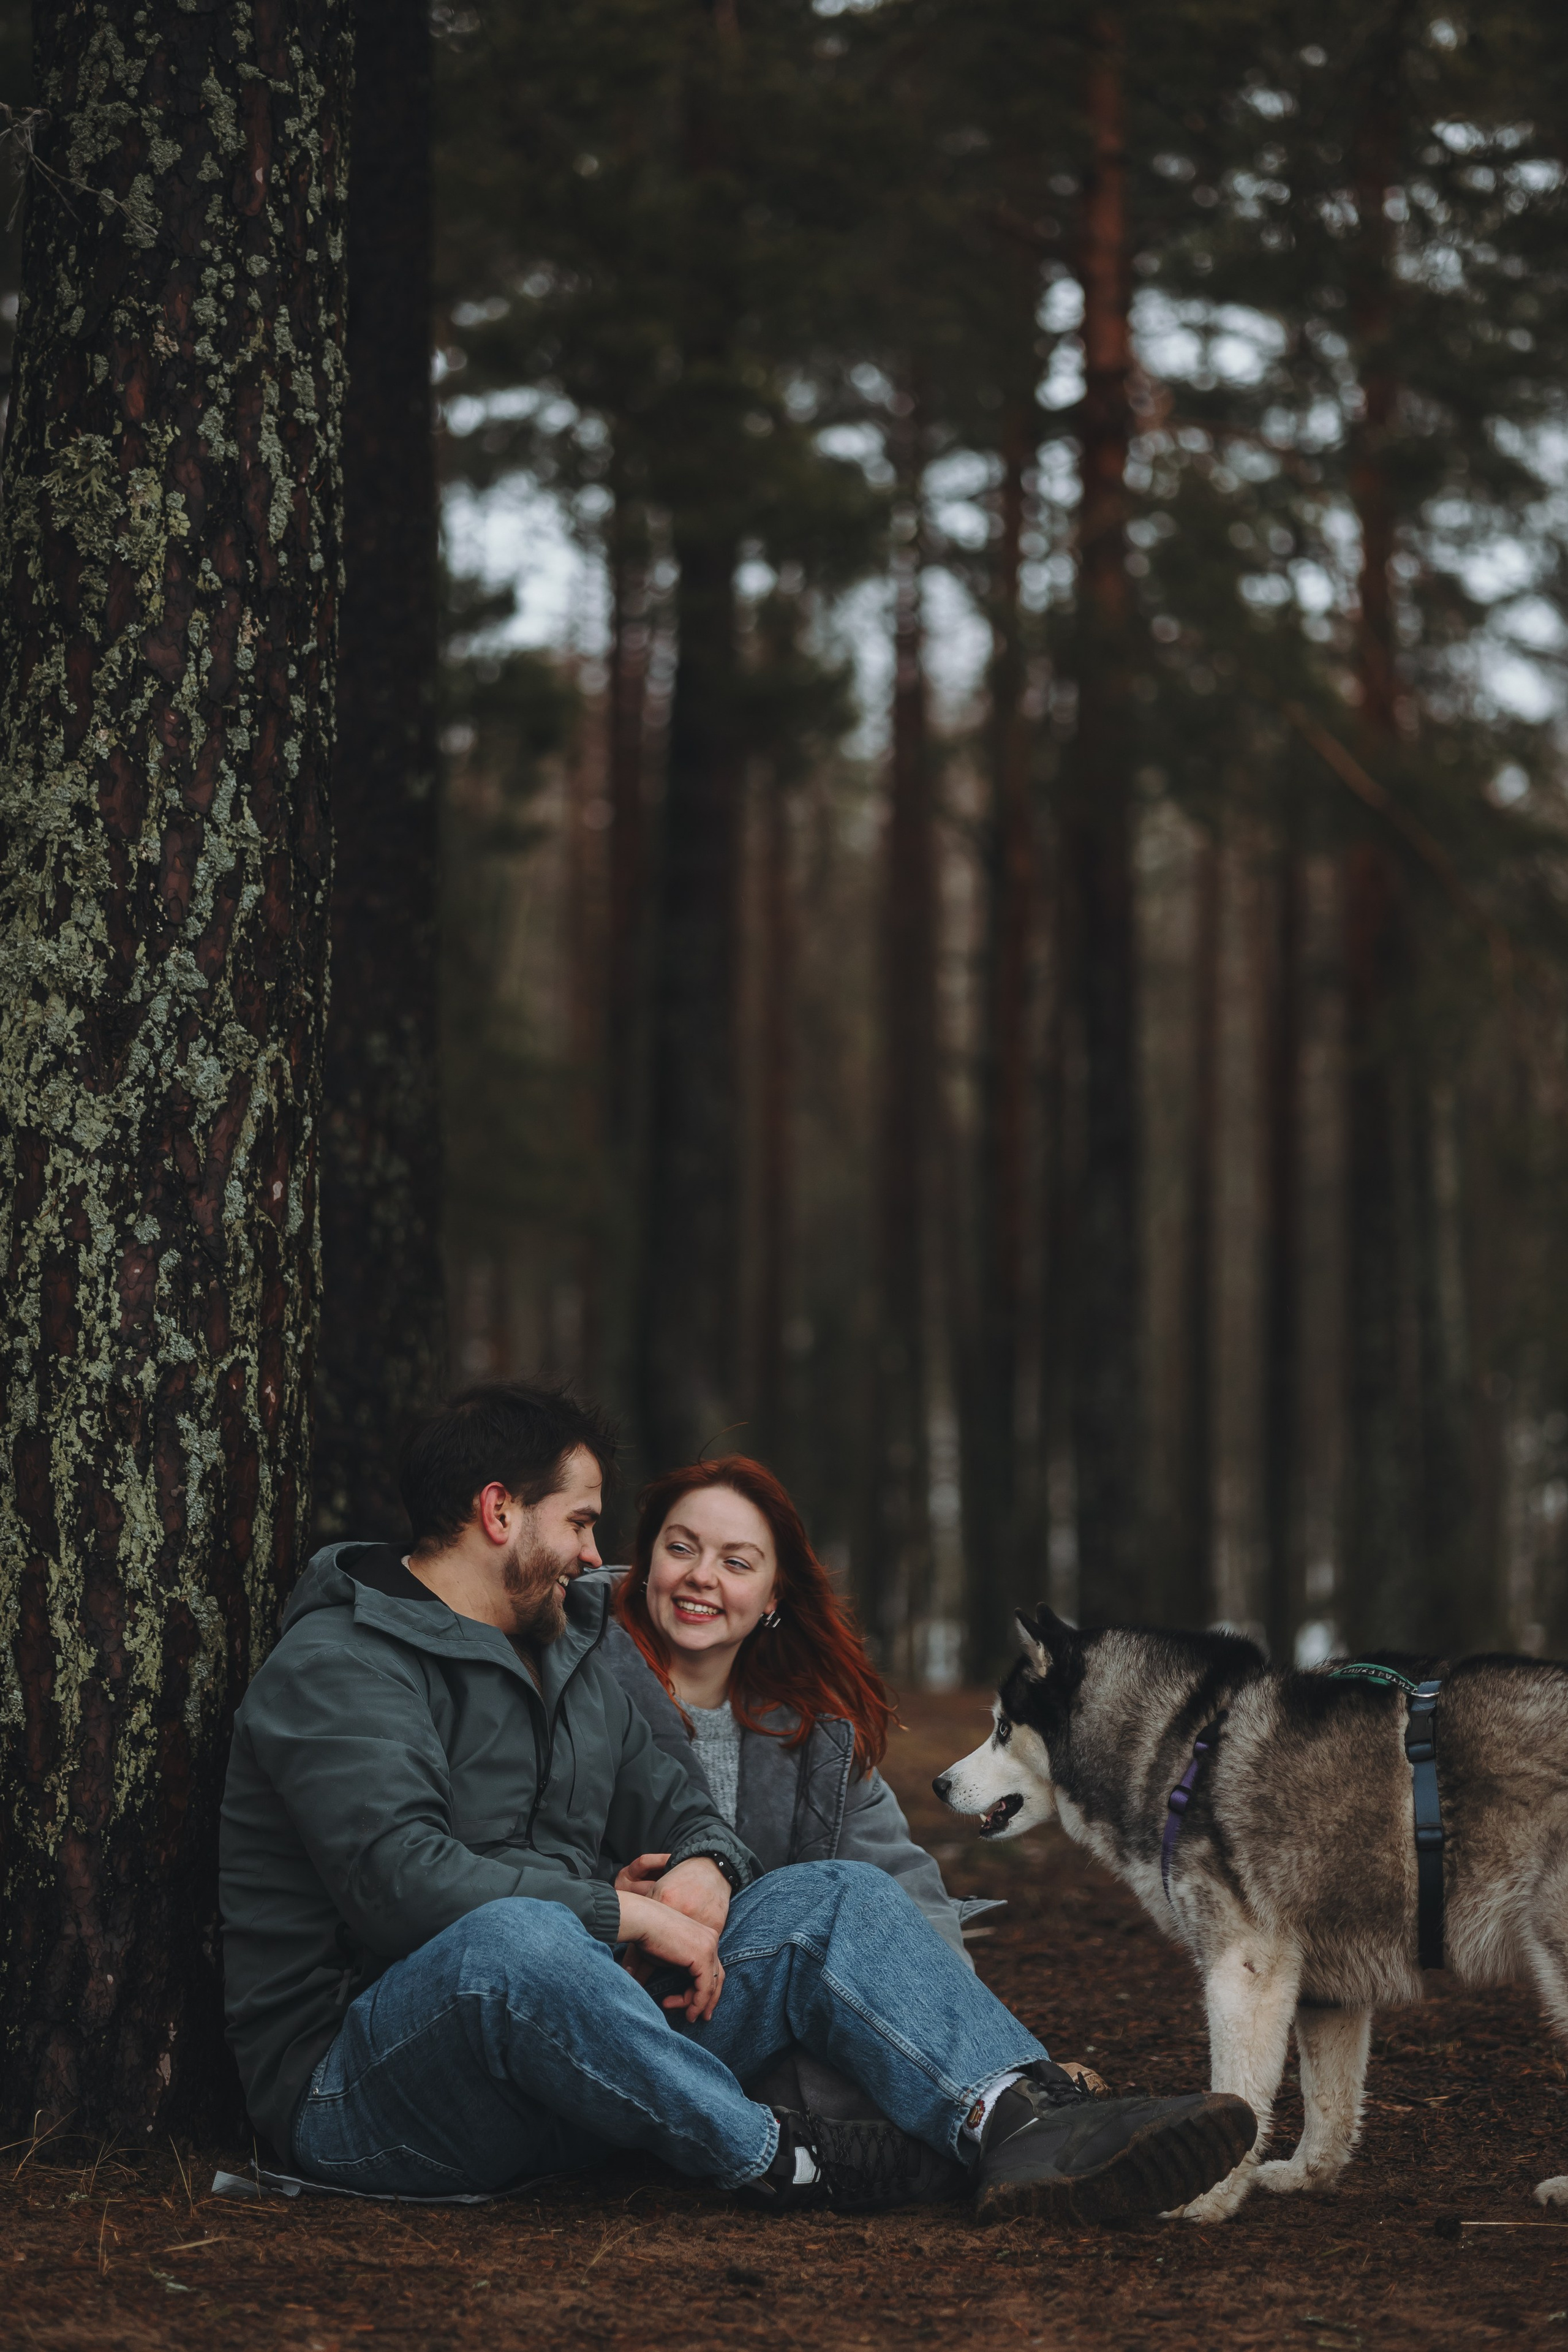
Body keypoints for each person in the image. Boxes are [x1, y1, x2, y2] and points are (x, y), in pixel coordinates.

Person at [219, 1381, 1255, 2219]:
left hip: (567, 2051)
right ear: (499, 1513)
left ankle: (1023, 2123)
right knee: (518, 1944)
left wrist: (706, 1870)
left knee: (835, 1895)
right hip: (370, 2089)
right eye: (579, 1521)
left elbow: (680, 1807)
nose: (595, 1556)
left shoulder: (567, 1654)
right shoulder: (341, 1664)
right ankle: (789, 2160)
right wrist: (625, 1914)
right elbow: (401, 1885)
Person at [601, 1457, 990, 1964]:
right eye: (680, 1548)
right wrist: (606, 1900)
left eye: (736, 1563)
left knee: (863, 1892)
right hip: (607, 1982)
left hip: (764, 1995)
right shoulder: (569, 1676)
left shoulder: (814, 1733)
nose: (701, 1576)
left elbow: (903, 1886)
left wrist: (946, 1985)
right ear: (648, 1558)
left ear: (773, 1595)